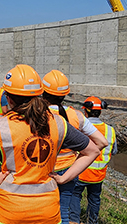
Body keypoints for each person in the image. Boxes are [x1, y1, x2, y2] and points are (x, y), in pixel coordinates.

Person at [0, 64, 102, 224]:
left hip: (10, 211)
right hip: (48, 212)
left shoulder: (0, 127)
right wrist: (64, 178)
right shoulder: (58, 123)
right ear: (40, 95)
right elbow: (92, 150)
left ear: (9, 98)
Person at [42, 70, 108, 224]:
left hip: (42, 169)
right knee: (63, 212)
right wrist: (76, 161)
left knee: (40, 212)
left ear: (43, 92)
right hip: (68, 171)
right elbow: (101, 142)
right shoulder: (75, 115)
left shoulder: (36, 115)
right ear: (64, 95)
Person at [69, 96, 117, 224]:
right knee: (94, 199)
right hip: (98, 175)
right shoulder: (110, 130)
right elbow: (114, 151)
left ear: (85, 111)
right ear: (100, 112)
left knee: (75, 195)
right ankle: (92, 221)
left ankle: (74, 220)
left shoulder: (80, 128)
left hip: (80, 172)